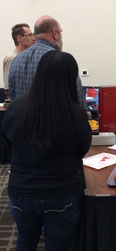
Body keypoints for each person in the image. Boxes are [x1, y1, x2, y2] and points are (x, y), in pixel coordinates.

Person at [1, 50, 92, 250]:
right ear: (71, 77)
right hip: (61, 194)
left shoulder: (16, 107)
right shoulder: (75, 113)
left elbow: (4, 150)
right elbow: (82, 149)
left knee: (25, 241)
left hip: (20, 192)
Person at [8, 15, 84, 104]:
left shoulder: (16, 60)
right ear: (55, 33)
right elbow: (78, 99)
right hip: (54, 117)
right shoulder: (61, 60)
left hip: (22, 117)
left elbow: (12, 97)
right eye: (60, 32)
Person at [3, 23, 35, 98]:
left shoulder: (30, 58)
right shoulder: (12, 59)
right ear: (20, 38)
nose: (33, 38)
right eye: (30, 35)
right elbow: (7, 89)